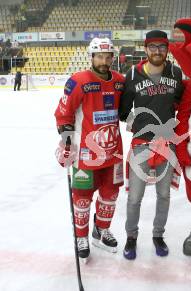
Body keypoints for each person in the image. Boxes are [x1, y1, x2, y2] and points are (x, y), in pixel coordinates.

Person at [54, 37, 125, 263]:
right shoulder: (78, 81)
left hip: (113, 151)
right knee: (82, 198)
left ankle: (101, 231)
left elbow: (127, 110)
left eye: (108, 56)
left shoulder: (120, 81)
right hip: (86, 153)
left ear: (112, 58)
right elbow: (63, 113)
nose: (104, 61)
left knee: (110, 195)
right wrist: (66, 138)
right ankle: (81, 236)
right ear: (91, 57)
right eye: (99, 56)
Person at [118, 30, 183, 260]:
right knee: (135, 197)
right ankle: (131, 237)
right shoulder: (133, 74)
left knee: (163, 195)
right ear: (145, 49)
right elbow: (124, 110)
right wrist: (135, 120)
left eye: (162, 47)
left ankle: (158, 235)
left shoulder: (175, 72)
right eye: (153, 47)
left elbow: (182, 102)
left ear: (167, 49)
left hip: (166, 144)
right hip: (141, 145)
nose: (157, 51)